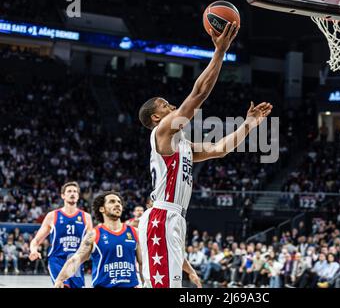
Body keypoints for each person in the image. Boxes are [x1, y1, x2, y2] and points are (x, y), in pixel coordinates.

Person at [137, 21, 272, 288]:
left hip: (175, 218)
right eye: (164, 105)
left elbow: (220, 150)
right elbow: (198, 94)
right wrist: (219, 52)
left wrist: (248, 126)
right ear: (156, 117)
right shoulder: (163, 130)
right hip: (162, 217)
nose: (171, 104)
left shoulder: (182, 145)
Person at [54, 191, 144, 288]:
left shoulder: (135, 232)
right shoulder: (94, 234)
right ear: (102, 209)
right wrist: (60, 279)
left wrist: (145, 284)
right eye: (112, 201)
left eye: (119, 202)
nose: (117, 204)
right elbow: (76, 259)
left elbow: (142, 263)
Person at [28, 181, 93, 288]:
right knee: (61, 286)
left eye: (75, 191)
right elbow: (36, 240)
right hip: (57, 260)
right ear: (63, 195)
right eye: (69, 191)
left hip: (76, 261)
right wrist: (33, 250)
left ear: (78, 196)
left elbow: (90, 243)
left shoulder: (86, 217)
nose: (72, 193)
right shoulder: (52, 216)